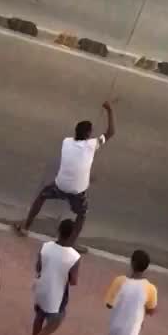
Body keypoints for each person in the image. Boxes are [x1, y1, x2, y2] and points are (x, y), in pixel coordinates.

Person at [14, 101, 116, 242]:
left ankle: (26, 227)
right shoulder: (91, 145)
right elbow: (111, 132)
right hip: (77, 191)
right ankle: (71, 243)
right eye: (91, 131)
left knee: (42, 196)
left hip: (60, 186)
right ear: (88, 134)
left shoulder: (66, 141)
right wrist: (109, 110)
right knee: (82, 214)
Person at [21, 219, 80, 335]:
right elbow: (73, 281)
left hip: (42, 287)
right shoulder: (74, 257)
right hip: (57, 293)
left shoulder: (46, 247)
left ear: (59, 231)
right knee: (56, 320)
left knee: (39, 316)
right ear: (73, 235)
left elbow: (38, 267)